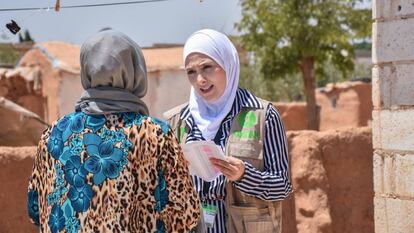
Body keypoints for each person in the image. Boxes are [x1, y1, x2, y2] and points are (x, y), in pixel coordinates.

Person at [27, 30, 200, 233]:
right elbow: (187, 213)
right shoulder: (156, 134)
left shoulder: (54, 135)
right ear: (135, 70)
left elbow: (35, 209)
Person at [164, 29, 292, 233]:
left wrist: (244, 175)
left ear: (228, 65)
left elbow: (282, 186)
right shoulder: (176, 122)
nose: (200, 80)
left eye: (207, 67)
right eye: (191, 72)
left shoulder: (262, 115)